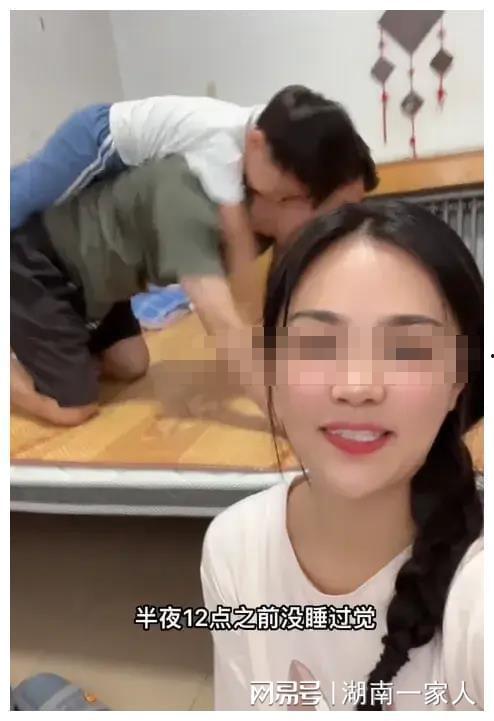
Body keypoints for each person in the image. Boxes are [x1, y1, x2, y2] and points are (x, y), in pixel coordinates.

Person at [200, 201, 484, 711]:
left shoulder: (478, 594)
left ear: (458, 380)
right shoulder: (235, 547)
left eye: (406, 349)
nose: (357, 386)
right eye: (318, 344)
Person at [10, 145, 376, 428]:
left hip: (102, 278)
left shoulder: (268, 227)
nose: (339, 225)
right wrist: (287, 418)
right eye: (336, 209)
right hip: (36, 259)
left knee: (131, 365)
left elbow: (273, 310)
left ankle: (48, 344)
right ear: (295, 193)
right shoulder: (191, 202)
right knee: (74, 408)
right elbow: (224, 324)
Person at [10, 85, 376, 284]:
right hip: (100, 140)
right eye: (278, 190)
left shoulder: (273, 130)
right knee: (29, 196)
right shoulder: (224, 147)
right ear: (255, 144)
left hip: (126, 160)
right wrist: (245, 289)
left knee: (48, 192)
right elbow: (236, 232)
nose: (278, 197)